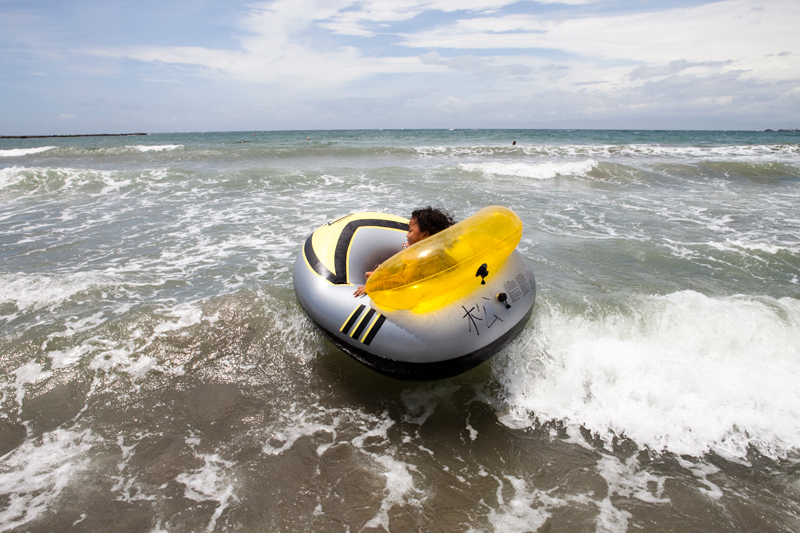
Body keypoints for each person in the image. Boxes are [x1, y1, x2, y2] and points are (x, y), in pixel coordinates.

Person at [353, 206, 455, 297]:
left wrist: (372, 287)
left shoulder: (419, 258)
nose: (407, 235)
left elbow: (403, 281)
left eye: (410, 231)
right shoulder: (439, 252)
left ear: (425, 235)